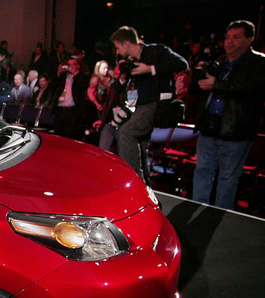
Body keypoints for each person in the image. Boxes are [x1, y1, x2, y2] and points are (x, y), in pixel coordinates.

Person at [192, 20, 265, 209]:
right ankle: (197, 211)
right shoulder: (220, 62)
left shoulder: (259, 62)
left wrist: (216, 84)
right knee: (202, 171)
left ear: (249, 40)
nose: (229, 42)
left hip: (236, 130)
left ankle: (219, 217)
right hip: (209, 127)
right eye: (227, 38)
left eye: (236, 37)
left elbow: (252, 90)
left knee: (228, 178)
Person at [109, 26, 188, 182]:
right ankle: (145, 185)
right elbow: (116, 88)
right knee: (140, 143)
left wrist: (150, 69)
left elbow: (182, 64)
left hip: (156, 103)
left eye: (117, 47)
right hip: (138, 106)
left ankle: (134, 181)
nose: (117, 52)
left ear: (126, 44)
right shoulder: (129, 62)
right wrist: (124, 77)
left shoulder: (156, 51)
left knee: (127, 132)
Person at [50, 56, 90, 141]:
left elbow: (84, 86)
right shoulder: (63, 76)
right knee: (58, 136)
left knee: (70, 137)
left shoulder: (82, 76)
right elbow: (53, 87)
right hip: (60, 110)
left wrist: (75, 74)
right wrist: (58, 74)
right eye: (69, 64)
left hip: (73, 111)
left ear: (78, 66)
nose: (71, 66)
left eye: (74, 64)